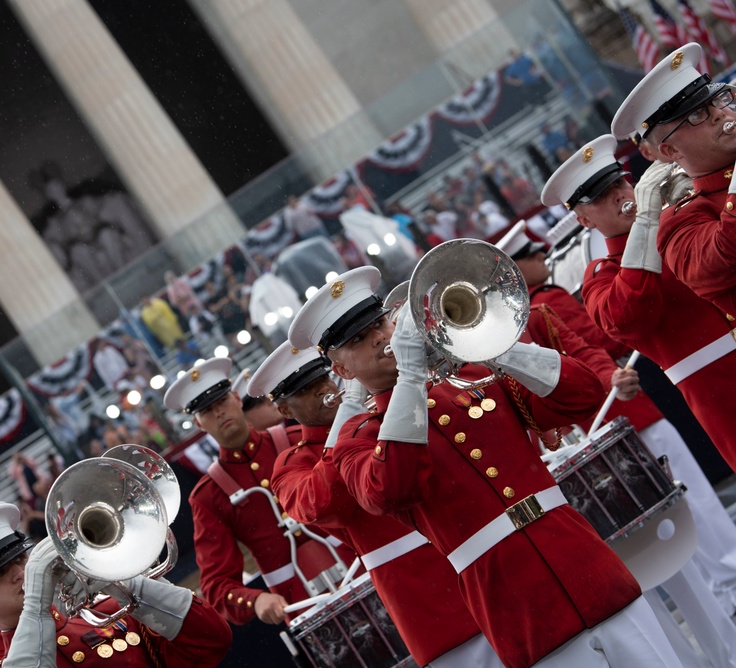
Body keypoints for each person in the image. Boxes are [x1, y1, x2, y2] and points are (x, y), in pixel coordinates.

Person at [288, 266, 681, 667]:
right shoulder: (356, 438)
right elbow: (391, 489)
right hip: (514, 605)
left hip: (588, 565)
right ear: (342, 371)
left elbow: (582, 396)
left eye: (379, 325)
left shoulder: (472, 375)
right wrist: (408, 378)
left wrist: (496, 347)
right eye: (358, 340)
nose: (378, 338)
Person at [498, 220, 736, 663]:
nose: (540, 257)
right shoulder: (482, 353)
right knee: (632, 580)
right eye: (528, 255)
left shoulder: (539, 312)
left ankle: (726, 641)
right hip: (562, 468)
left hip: (614, 433)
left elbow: (589, 351)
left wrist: (609, 376)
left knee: (679, 541)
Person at [251, 341, 503, 668]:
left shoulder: (381, 412)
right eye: (307, 391)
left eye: (323, 381)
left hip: (475, 552)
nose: (323, 391)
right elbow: (324, 504)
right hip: (423, 592)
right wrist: (345, 425)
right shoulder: (290, 464)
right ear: (285, 411)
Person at [543, 133, 736, 474]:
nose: (619, 196)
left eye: (619, 184)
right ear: (585, 221)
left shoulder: (682, 221)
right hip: (722, 393)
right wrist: (647, 222)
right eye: (602, 197)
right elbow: (631, 316)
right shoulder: (601, 277)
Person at [164, 358, 355, 626]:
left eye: (221, 401)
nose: (219, 412)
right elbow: (216, 584)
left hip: (360, 567)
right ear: (198, 424)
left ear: (236, 397)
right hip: (303, 609)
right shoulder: (208, 496)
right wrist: (255, 600)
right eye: (207, 411)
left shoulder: (297, 439)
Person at [0, 502, 231, 667]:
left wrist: (122, 580)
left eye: (22, 561)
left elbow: (211, 639)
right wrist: (37, 596)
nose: (21, 573)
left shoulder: (108, 609)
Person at [610, 42, 736, 318]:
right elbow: (729, 249)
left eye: (716, 101)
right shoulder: (676, 227)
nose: (719, 113)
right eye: (696, 114)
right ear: (670, 151)